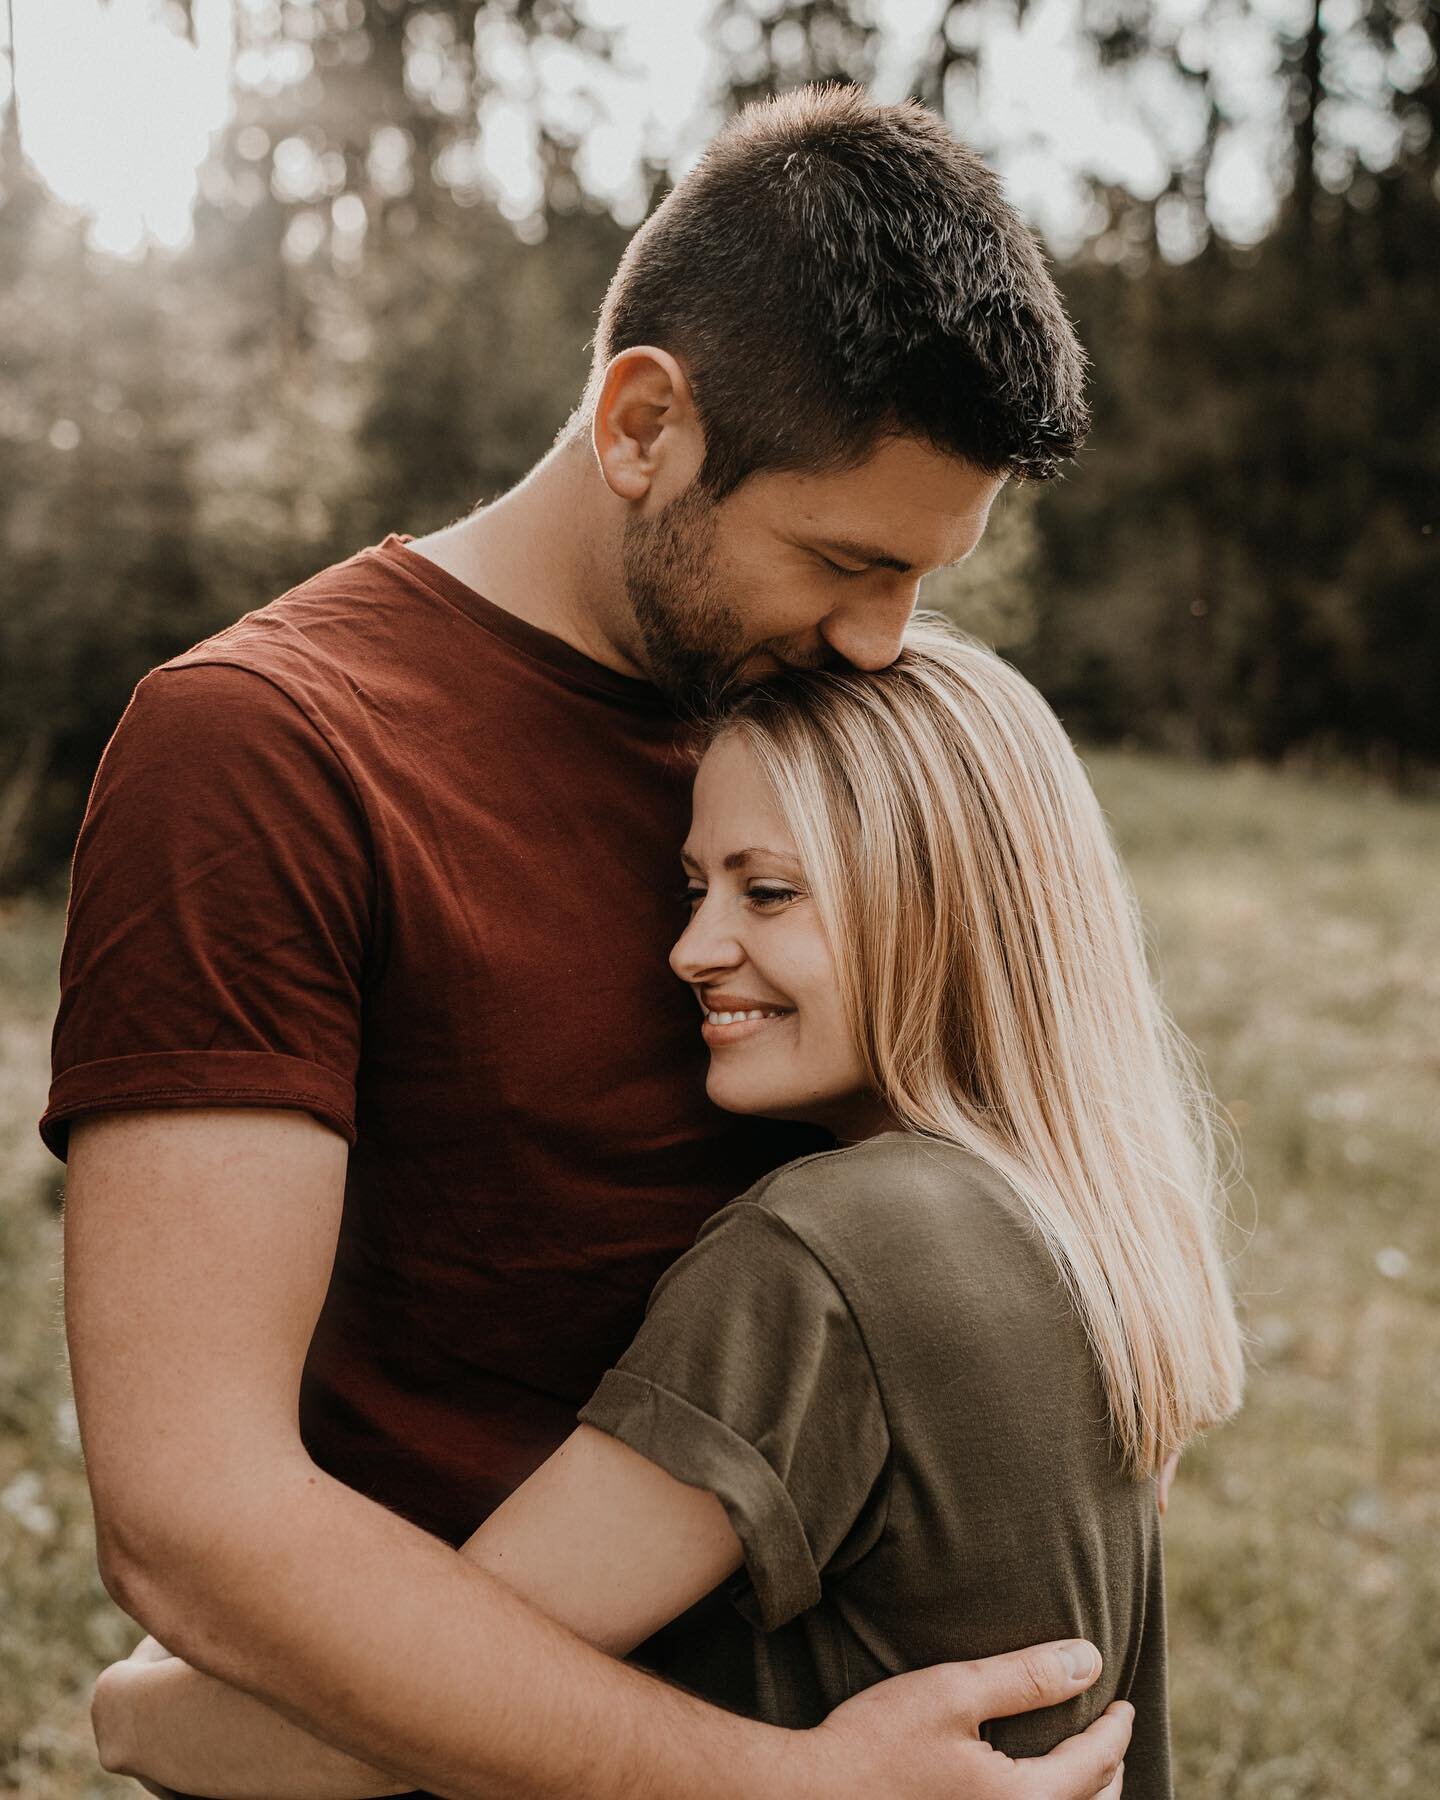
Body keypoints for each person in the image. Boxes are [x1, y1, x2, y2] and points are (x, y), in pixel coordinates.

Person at [46, 84, 1129, 1800]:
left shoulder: (815, 745)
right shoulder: (269, 751)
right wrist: (770, 1788)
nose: (881, 646)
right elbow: (194, 1515)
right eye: (845, 560)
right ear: (643, 427)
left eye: (928, 581)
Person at [87, 622, 1242, 1800]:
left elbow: (393, 1717)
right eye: (697, 889)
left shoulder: (835, 1254)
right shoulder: (1079, 1233)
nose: (694, 948)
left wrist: (133, 1710)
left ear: (950, 904)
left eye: (771, 891)